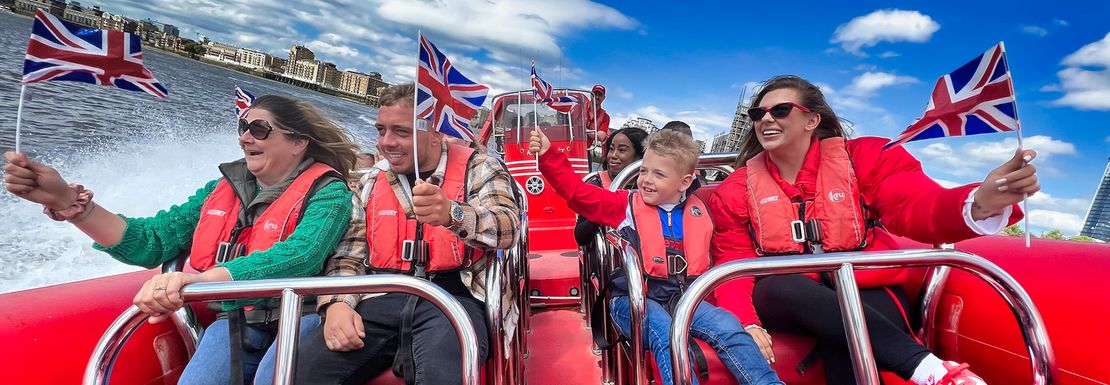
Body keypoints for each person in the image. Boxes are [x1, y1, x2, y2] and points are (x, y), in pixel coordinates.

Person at [2, 95, 360, 385]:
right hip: (237, 319)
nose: (245, 137)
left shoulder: (330, 193)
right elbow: (154, 240)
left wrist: (199, 282)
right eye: (243, 126)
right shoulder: (221, 189)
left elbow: (301, 256)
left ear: (298, 142)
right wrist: (67, 200)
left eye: (259, 128)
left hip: (303, 316)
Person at [708, 75, 1039, 385]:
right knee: (783, 284)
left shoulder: (866, 159)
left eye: (780, 110)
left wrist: (979, 202)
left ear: (812, 121)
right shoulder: (735, 190)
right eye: (758, 113)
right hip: (785, 297)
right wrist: (745, 323)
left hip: (862, 287)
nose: (766, 119)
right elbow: (732, 263)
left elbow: (914, 204)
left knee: (847, 337)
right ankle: (931, 370)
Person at [295, 83, 520, 385]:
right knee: (303, 371)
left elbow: (508, 227)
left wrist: (453, 215)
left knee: (442, 374)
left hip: (455, 297)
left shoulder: (480, 168)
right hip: (382, 296)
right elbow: (349, 255)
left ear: (436, 131)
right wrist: (337, 303)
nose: (386, 142)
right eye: (380, 130)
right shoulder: (371, 181)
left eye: (401, 132)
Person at [530, 128, 784, 385]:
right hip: (635, 301)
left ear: (684, 182)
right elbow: (576, 193)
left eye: (658, 174)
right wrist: (548, 155)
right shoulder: (624, 205)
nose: (646, 180)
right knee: (666, 335)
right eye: (643, 171)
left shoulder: (702, 210)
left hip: (685, 298)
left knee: (730, 327)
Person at [574, 126, 649, 247]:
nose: (613, 155)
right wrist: (605, 204)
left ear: (641, 156)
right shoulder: (597, 185)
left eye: (622, 150)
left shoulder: (651, 186)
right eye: (611, 149)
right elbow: (581, 237)